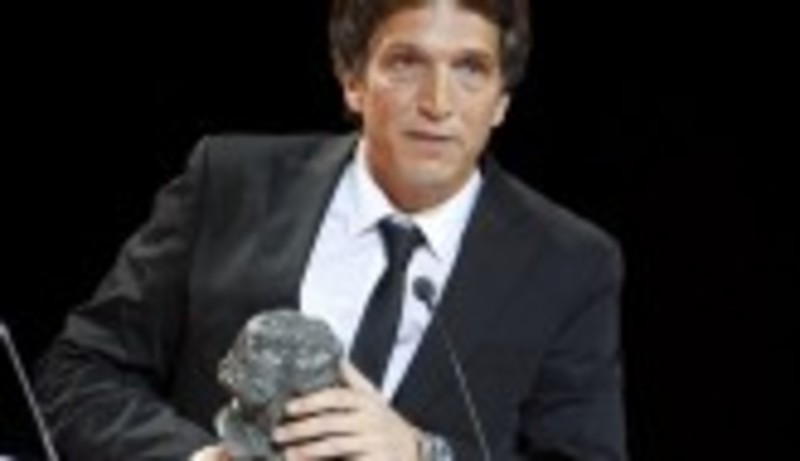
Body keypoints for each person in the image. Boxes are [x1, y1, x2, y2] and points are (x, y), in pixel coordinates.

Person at [35, 0, 628, 459]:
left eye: (470, 69)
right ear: (352, 80)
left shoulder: (569, 262)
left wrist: (425, 454)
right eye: (406, 63)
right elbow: (77, 373)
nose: (438, 102)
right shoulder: (231, 183)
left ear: (501, 101)